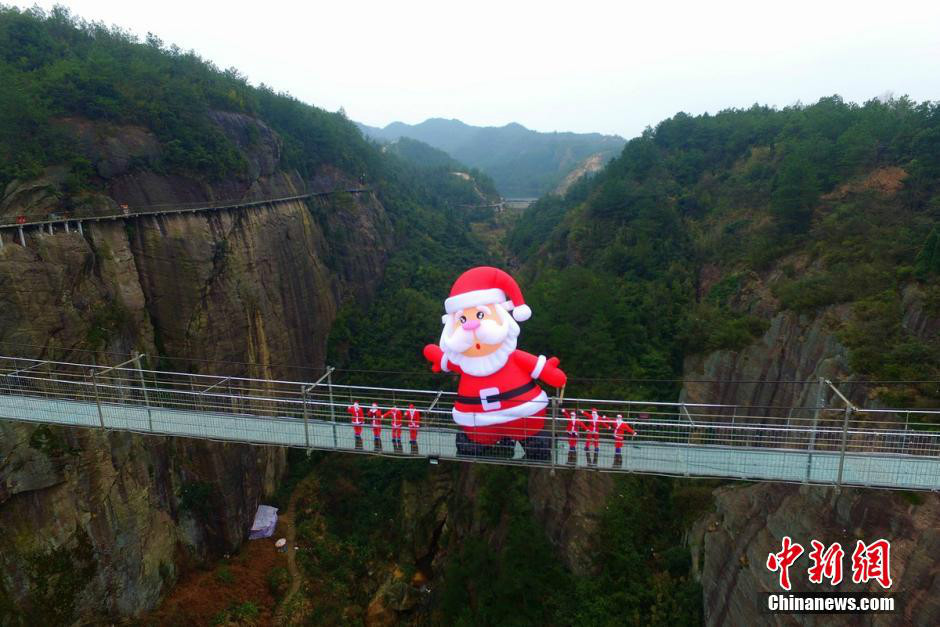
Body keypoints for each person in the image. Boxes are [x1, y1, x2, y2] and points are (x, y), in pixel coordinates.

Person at [422, 266, 566, 460]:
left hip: (513, 415)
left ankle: (529, 442)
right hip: (484, 422)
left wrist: (550, 373)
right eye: (463, 319)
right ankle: (485, 442)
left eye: (480, 315)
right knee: (477, 440)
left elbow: (549, 374)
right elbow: (440, 356)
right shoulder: (465, 361)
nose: (471, 325)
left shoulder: (510, 357)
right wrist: (437, 356)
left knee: (534, 440)